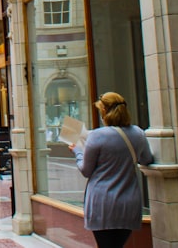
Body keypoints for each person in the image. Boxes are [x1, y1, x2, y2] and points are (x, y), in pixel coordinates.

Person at [72, 92, 154, 248]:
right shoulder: (138, 133)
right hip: (129, 203)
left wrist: (77, 152)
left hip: (102, 203)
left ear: (104, 111)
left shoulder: (96, 136)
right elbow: (147, 159)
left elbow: (86, 170)